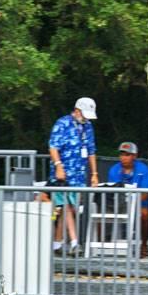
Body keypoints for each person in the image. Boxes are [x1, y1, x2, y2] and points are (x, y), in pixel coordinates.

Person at [48, 97, 99, 254]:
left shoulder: (88, 126)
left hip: (79, 175)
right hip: (63, 174)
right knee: (66, 206)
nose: (85, 119)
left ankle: (56, 244)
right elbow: (53, 147)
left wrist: (94, 173)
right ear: (77, 111)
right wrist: (58, 166)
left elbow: (91, 151)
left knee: (69, 209)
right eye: (84, 115)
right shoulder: (62, 123)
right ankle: (75, 242)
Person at [107, 141, 148, 257]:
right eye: (121, 154)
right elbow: (111, 192)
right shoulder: (114, 169)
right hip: (119, 204)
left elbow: (146, 193)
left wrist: (133, 204)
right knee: (100, 211)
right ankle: (103, 246)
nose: (123, 157)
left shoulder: (143, 169)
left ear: (134, 156)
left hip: (139, 204)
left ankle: (144, 245)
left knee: (145, 214)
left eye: (127, 154)